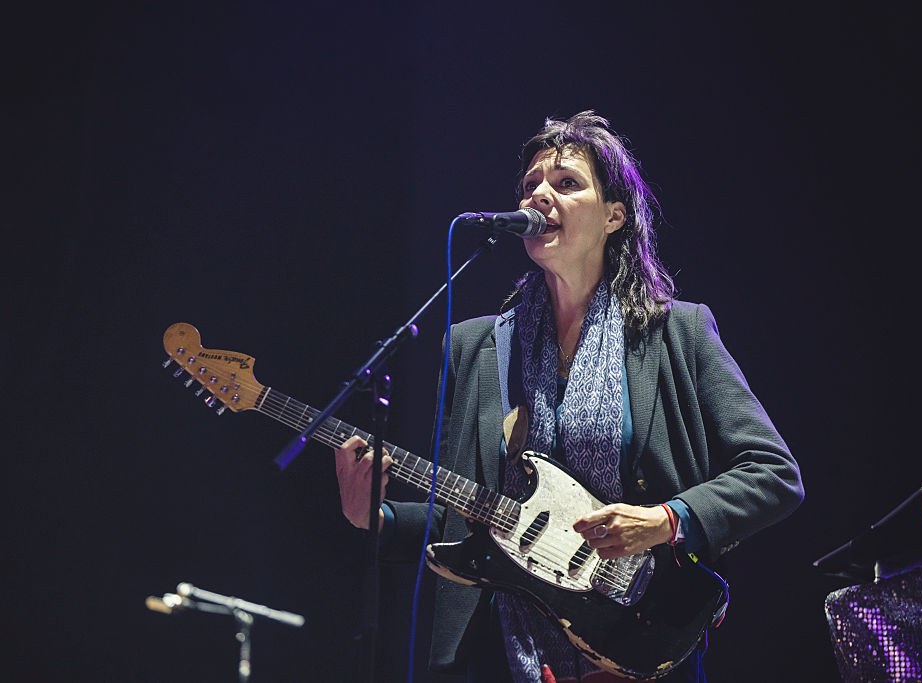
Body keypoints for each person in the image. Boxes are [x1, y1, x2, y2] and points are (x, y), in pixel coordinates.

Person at [334, 111, 804, 682]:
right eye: (530, 184)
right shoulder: (476, 347)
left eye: (566, 183)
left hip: (638, 644)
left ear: (614, 216)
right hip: (505, 655)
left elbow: (773, 473)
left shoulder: (677, 332)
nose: (539, 195)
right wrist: (376, 517)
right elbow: (477, 521)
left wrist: (665, 519)